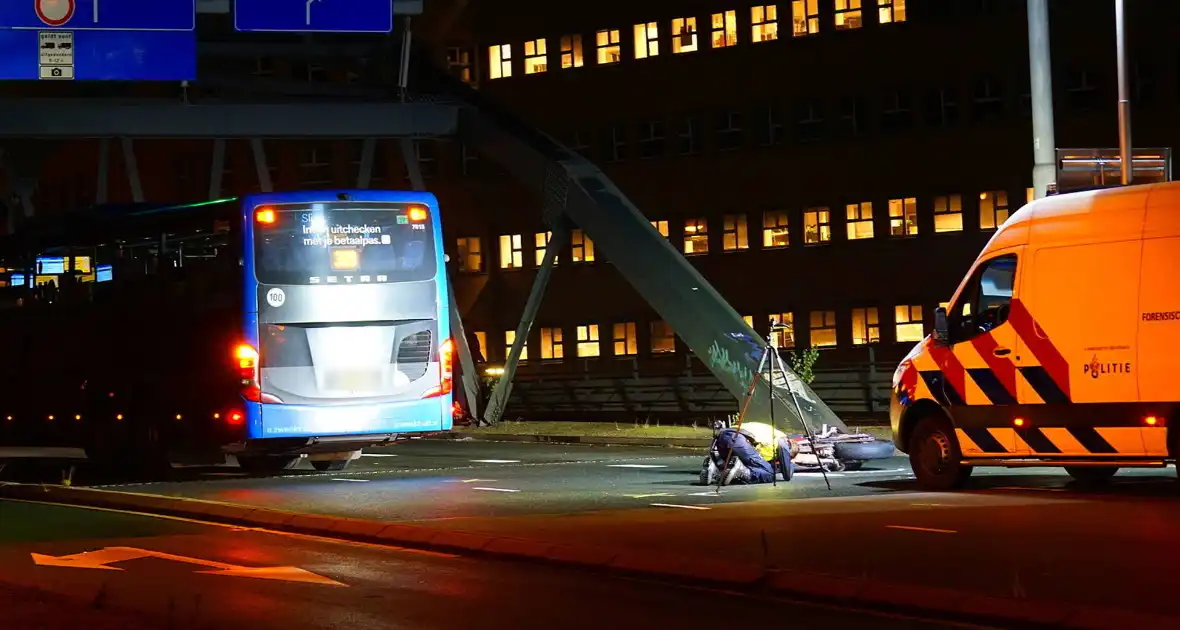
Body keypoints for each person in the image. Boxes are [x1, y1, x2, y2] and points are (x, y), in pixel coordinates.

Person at [700, 421, 796, 485]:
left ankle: (715, 469)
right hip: (739, 439)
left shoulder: (771, 433)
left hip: (723, 437)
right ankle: (742, 471)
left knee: (734, 465)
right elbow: (787, 476)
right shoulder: (784, 441)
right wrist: (790, 465)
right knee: (770, 473)